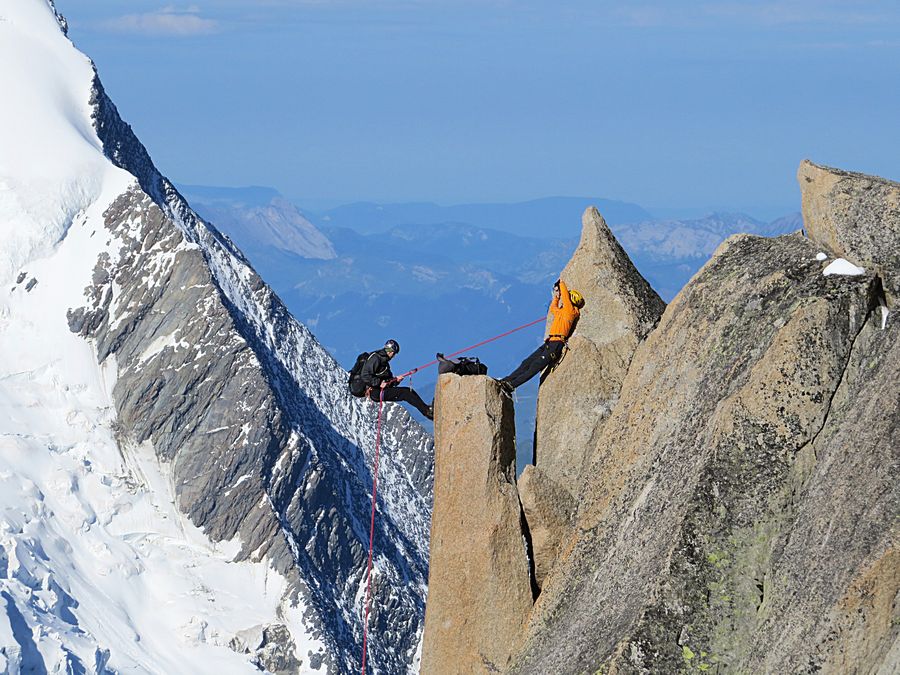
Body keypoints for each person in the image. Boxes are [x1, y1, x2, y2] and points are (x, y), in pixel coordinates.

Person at [499, 279, 583, 392]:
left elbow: (566, 298)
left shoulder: (570, 312)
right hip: (550, 342)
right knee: (527, 362)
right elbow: (553, 308)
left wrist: (560, 283)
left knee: (535, 367)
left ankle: (511, 385)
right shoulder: (563, 312)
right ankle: (507, 380)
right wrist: (556, 297)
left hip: (556, 344)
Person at [359, 339, 434, 420]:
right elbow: (365, 375)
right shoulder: (376, 358)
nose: (393, 356)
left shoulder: (384, 362)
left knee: (408, 391)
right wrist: (379, 383)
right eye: (394, 354)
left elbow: (388, 381)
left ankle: (426, 409)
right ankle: (427, 412)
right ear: (390, 351)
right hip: (376, 392)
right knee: (405, 393)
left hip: (378, 390)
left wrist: (396, 381)